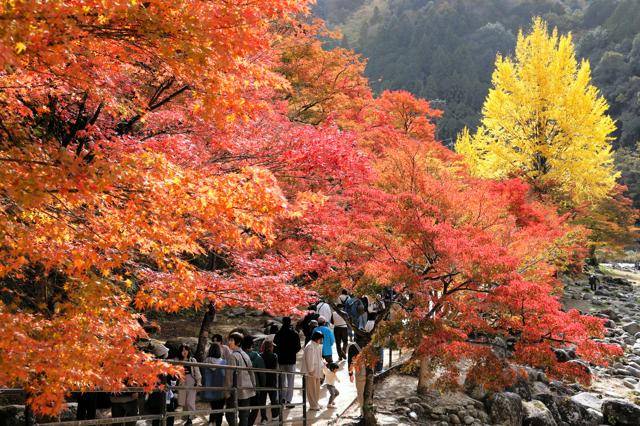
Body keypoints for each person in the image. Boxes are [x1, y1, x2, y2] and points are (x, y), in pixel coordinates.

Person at [228, 332, 256, 426]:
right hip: (248, 388)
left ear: (238, 343)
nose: (229, 342)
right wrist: (254, 385)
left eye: (231, 340)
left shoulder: (233, 356)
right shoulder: (245, 354)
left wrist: (227, 390)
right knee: (244, 415)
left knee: (230, 413)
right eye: (229, 340)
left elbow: (229, 375)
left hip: (237, 389)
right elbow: (251, 371)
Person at [273, 316, 301, 406]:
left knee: (282, 381)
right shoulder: (294, 333)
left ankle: (282, 398)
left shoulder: (278, 334)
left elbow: (275, 347)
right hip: (291, 360)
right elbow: (298, 347)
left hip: (281, 360)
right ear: (290, 322)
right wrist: (292, 353)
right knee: (290, 381)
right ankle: (288, 400)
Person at [213, 333, 238, 426]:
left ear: (221, 341)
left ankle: (218, 416)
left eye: (217, 340)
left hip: (224, 375)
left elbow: (228, 361)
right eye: (214, 340)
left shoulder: (226, 349)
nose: (215, 342)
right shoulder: (212, 349)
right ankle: (214, 418)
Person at [175, 344, 201, 426]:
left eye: (186, 350)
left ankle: (190, 418)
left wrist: (198, 382)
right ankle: (186, 418)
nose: (184, 352)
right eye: (182, 350)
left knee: (190, 401)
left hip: (191, 381)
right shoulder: (177, 360)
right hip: (182, 381)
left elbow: (197, 372)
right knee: (184, 402)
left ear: (189, 351)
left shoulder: (192, 360)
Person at [203, 342, 227, 426]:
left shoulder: (205, 362)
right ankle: (217, 424)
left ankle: (211, 421)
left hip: (209, 389)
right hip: (221, 389)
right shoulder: (224, 362)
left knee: (213, 407)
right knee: (220, 409)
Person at [243, 336, 266, 426]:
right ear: (251, 344)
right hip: (254, 386)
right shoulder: (256, 357)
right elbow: (262, 374)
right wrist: (262, 385)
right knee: (255, 407)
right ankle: (249, 424)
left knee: (243, 408)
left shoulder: (237, 355)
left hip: (241, 386)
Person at [300, 331, 324, 411]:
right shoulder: (310, 346)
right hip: (311, 372)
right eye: (321, 339)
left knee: (316, 388)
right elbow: (309, 360)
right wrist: (311, 370)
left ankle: (316, 403)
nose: (321, 341)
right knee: (311, 389)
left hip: (316, 371)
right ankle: (313, 405)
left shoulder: (316, 345)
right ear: (317, 339)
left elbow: (318, 358)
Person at [260, 340, 280, 422]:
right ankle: (275, 416)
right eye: (272, 346)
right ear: (270, 347)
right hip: (272, 381)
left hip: (262, 381)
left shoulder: (260, 356)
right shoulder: (274, 356)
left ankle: (263, 418)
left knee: (262, 401)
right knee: (273, 400)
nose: (273, 348)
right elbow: (275, 368)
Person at [348, 339, 367, 417]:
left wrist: (350, 374)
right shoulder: (368, 342)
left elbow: (350, 362)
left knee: (360, 394)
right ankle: (368, 412)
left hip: (360, 373)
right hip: (369, 373)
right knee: (368, 393)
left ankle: (362, 413)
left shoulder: (353, 346)